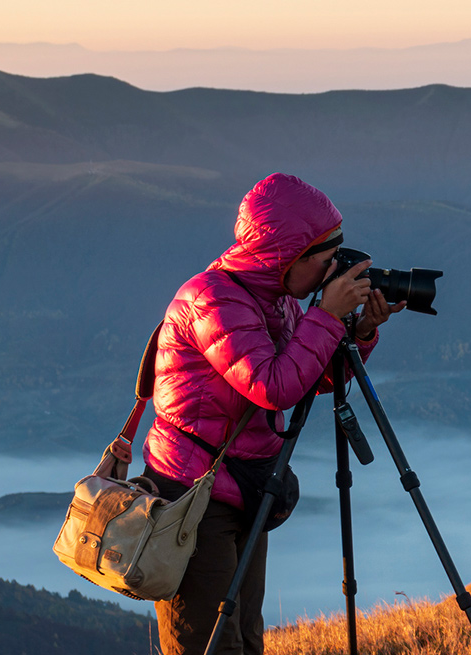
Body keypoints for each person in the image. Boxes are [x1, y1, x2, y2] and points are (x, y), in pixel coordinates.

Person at [107, 173, 404, 655]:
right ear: (289, 255)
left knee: (246, 638)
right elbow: (273, 387)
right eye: (326, 260)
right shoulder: (213, 300)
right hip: (192, 496)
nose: (333, 272)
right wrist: (326, 317)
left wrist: (360, 332)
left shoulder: (277, 298)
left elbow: (308, 378)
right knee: (209, 644)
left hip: (243, 485)